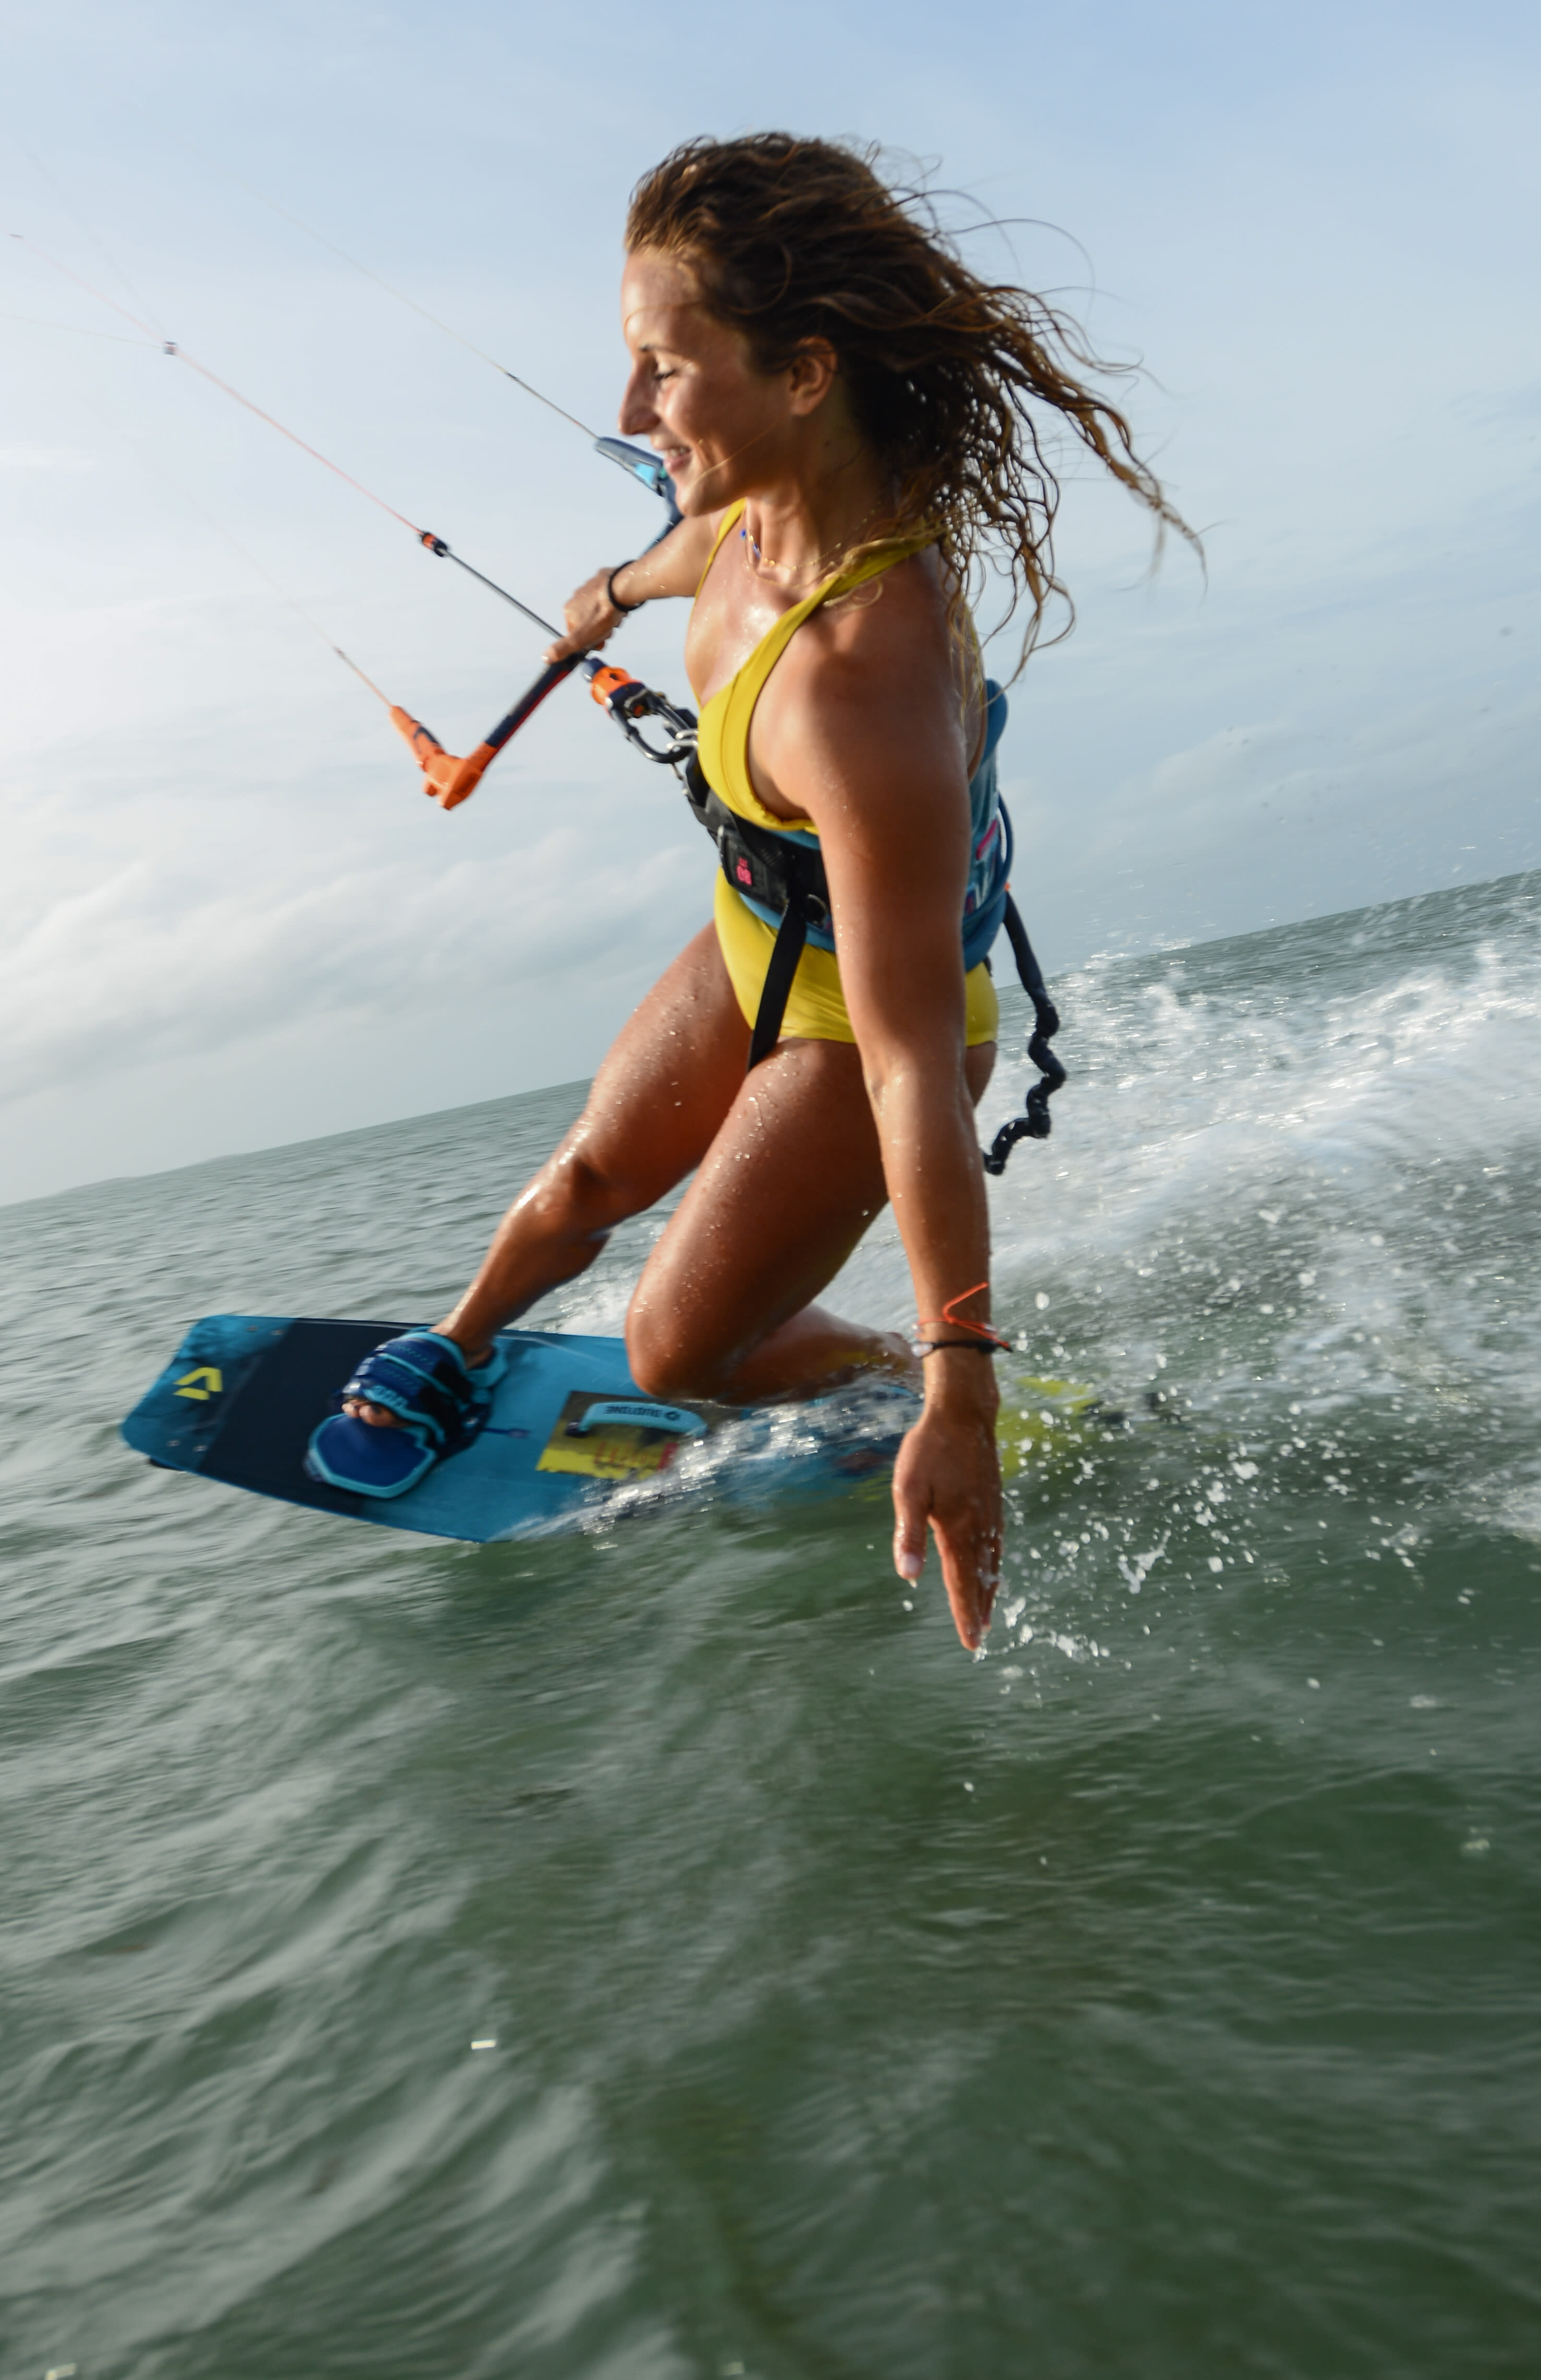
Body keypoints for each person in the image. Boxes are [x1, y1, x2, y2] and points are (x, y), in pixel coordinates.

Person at [306, 135, 1184, 1648]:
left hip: (865, 1025)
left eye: (665, 368)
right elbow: (657, 567)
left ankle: (912, 1385)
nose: (631, 411)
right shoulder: (740, 519)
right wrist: (593, 606)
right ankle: (454, 1343)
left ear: (803, 374)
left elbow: (917, 1069)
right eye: (631, 366)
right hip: (760, 934)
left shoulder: (863, 679)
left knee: (675, 1353)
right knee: (588, 1178)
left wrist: (961, 1383)